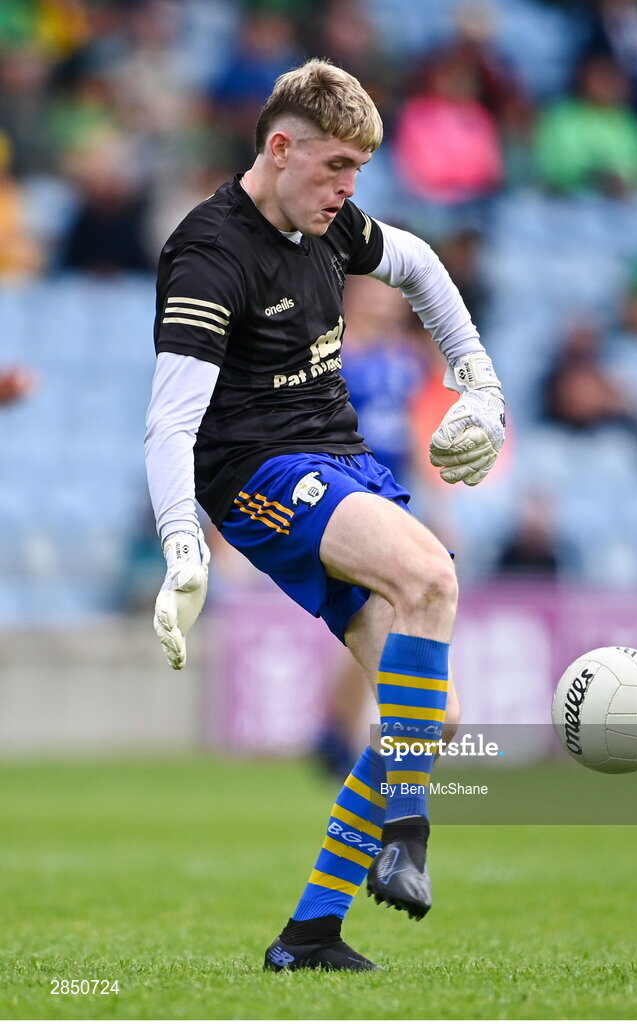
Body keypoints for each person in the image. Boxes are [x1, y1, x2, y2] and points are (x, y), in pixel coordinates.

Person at [143, 59, 506, 973]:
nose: (348, 191)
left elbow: (419, 263)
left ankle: (308, 935)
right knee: (431, 574)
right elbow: (170, 419)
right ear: (279, 146)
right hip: (261, 476)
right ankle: (408, 835)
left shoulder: (330, 223)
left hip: (345, 465)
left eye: (358, 173)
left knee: (432, 720)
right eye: (336, 167)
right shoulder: (209, 252)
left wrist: (479, 380)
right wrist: (182, 543)